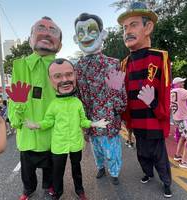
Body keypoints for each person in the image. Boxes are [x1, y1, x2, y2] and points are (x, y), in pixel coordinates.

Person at [25, 58, 109, 200]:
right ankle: (57, 193)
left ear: (75, 75)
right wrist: (37, 125)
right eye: (57, 76)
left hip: (75, 144)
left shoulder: (77, 102)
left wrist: (95, 124)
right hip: (59, 145)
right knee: (58, 171)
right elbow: (48, 121)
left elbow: (83, 121)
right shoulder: (53, 104)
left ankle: (80, 190)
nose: (64, 80)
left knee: (77, 169)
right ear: (51, 80)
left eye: (69, 75)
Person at [117, 2, 172, 197]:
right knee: (142, 154)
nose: (127, 31)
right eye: (125, 28)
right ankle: (148, 174)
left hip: (153, 120)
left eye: (133, 25)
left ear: (148, 27)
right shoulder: (124, 63)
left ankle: (166, 183)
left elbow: (165, 92)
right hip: (137, 122)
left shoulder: (160, 57)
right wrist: (116, 93)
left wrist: (155, 104)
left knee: (159, 156)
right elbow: (122, 96)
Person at [7, 16, 62, 200]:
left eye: (52, 30)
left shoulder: (62, 67)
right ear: (30, 39)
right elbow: (13, 101)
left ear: (59, 44)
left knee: (51, 167)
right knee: (27, 168)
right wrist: (17, 109)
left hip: (52, 133)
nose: (46, 32)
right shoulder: (19, 66)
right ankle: (28, 189)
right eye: (41, 28)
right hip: (28, 134)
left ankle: (49, 188)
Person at [74, 13, 127, 185]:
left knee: (112, 149)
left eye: (91, 31)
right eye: (81, 33)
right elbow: (78, 96)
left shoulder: (112, 63)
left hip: (109, 117)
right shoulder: (77, 67)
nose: (87, 36)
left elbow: (121, 94)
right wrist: (81, 120)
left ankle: (114, 172)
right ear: (76, 38)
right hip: (90, 119)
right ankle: (100, 167)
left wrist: (117, 103)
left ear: (102, 34)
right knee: (96, 148)